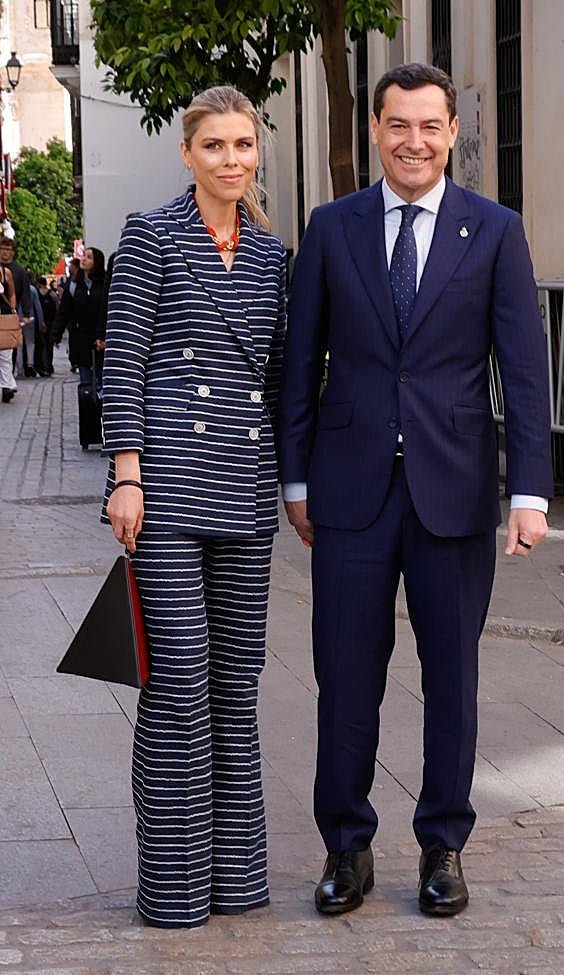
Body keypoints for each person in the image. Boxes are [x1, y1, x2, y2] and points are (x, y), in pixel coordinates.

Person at [279, 63, 553, 919]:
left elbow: (525, 368)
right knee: (346, 676)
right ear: (373, 127)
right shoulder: (332, 227)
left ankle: (444, 846)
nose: (414, 141)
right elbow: (300, 363)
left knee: (453, 679)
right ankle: (347, 849)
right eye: (399, 125)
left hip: (456, 489)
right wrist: (295, 476)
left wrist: (531, 492)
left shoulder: (496, 231)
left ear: (453, 132)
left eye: (430, 126)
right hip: (349, 492)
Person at [100, 85, 286, 929]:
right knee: (179, 683)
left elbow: (280, 383)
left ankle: (238, 879)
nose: (231, 160)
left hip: (245, 491)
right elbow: (124, 361)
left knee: (237, 688)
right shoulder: (151, 236)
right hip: (169, 490)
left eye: (243, 145)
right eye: (214, 146)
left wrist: (296, 486)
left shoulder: (275, 256)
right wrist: (126, 475)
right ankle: (174, 887)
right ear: (187, 154)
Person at [54, 248, 105, 386]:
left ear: (97, 262)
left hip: (100, 339)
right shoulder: (74, 284)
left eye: (89, 257)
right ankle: (87, 406)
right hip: (81, 339)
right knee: (86, 383)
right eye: (83, 255)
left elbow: (106, 310)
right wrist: (56, 334)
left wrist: (103, 335)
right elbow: (64, 311)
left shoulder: (104, 284)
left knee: (102, 381)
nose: (83, 259)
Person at [0, 236, 33, 376]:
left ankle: (8, 378)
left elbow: (25, 293)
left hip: (10, 312)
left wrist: (25, 314)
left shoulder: (19, 271)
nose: (5, 252)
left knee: (9, 345)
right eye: (2, 249)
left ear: (13, 252)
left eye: (8, 249)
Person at [0, 262, 18, 402]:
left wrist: (13, 309)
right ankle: (8, 384)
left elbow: (11, 294)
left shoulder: (5, 272)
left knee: (5, 355)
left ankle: (7, 386)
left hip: (4, 317)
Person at [36, 276, 58, 375]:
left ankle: (42, 365)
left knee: (41, 345)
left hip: (40, 322)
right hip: (51, 322)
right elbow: (57, 308)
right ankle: (49, 365)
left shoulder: (37, 294)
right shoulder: (52, 294)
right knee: (49, 345)